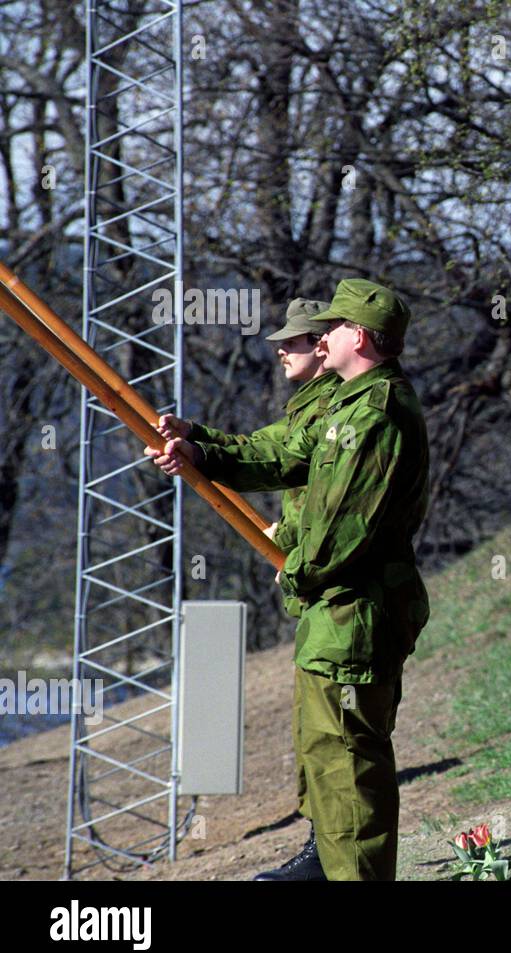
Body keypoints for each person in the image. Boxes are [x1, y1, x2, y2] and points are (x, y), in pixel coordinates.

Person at [147, 278, 430, 881]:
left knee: (349, 767)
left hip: (356, 612)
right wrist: (201, 451)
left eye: (332, 327)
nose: (320, 337)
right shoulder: (348, 404)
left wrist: (295, 574)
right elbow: (280, 454)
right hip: (337, 613)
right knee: (327, 760)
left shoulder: (377, 413)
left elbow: (344, 529)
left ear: (359, 335)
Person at [156, 297, 338, 880]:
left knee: (338, 738)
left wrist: (201, 453)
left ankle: (333, 856)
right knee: (316, 733)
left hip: (336, 589)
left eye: (297, 341)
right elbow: (262, 447)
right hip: (316, 589)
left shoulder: (340, 409)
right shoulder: (311, 403)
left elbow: (271, 461)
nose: (282, 349)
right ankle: (325, 848)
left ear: (328, 344)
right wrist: (196, 439)